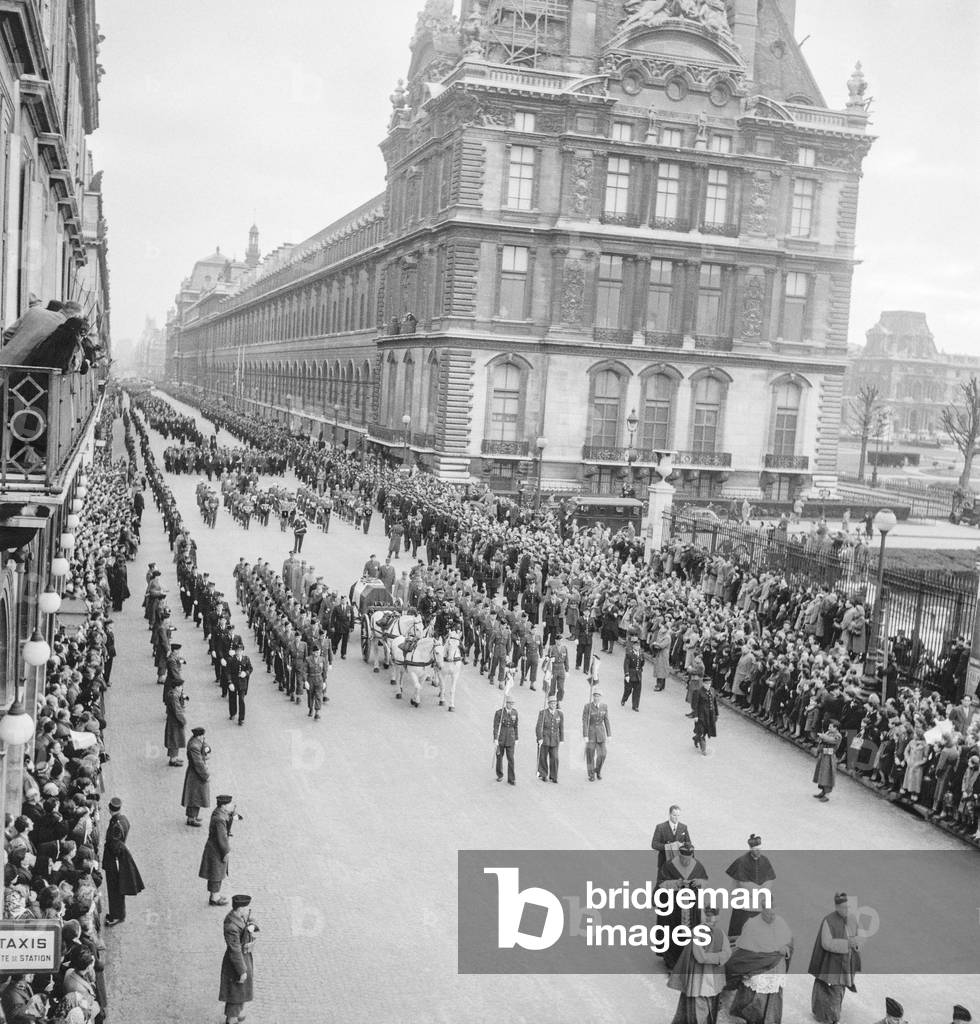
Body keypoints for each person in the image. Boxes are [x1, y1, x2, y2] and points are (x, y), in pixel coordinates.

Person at [726, 899, 794, 1024]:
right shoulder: (752, 924)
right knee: (756, 987)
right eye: (768, 913)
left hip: (775, 965)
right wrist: (772, 951)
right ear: (762, 910)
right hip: (755, 965)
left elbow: (789, 942)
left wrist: (786, 948)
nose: (771, 916)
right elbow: (746, 948)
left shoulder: (780, 922)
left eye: (774, 913)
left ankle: (770, 1020)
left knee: (774, 985)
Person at [666, 903, 730, 1024]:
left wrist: (714, 957)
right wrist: (718, 957)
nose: (711, 919)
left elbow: (727, 952)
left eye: (714, 916)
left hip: (713, 979)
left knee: (710, 1007)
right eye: (708, 916)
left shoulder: (720, 933)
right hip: (699, 978)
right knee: (697, 1010)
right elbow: (701, 957)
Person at [808, 892, 861, 1024]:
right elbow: (826, 943)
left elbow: (856, 937)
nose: (846, 910)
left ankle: (831, 1015)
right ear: (836, 907)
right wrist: (847, 944)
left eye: (848, 907)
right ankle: (829, 1017)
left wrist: (856, 945)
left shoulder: (853, 919)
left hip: (846, 963)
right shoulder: (828, 920)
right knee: (831, 990)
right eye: (843, 907)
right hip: (831, 964)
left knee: (840, 989)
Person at [658, 842, 709, 971]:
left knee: (691, 932)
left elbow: (704, 881)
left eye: (688, 859)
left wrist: (699, 882)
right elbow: (661, 884)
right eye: (683, 859)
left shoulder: (697, 866)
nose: (686, 862)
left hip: (691, 908)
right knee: (672, 932)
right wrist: (676, 883)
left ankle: (689, 960)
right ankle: (672, 961)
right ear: (679, 856)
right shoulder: (669, 866)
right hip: (674, 907)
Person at [101, 797, 144, 925]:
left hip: (114, 861)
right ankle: (119, 913)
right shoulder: (123, 820)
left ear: (110, 809)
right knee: (118, 888)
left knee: (114, 889)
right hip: (119, 859)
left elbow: (114, 845)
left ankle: (116, 915)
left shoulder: (115, 825)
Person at [725, 834, 776, 939]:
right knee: (741, 925)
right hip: (745, 899)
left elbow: (770, 879)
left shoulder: (765, 860)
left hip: (760, 901)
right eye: (755, 849)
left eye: (759, 849)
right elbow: (742, 882)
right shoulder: (742, 861)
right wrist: (757, 890)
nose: (758, 852)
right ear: (751, 849)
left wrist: (764, 889)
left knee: (759, 928)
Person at [219, 894, 259, 1024]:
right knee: (236, 989)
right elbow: (234, 949)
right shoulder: (231, 925)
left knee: (241, 989)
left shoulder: (240, 916)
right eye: (246, 909)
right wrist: (241, 970)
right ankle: (231, 1019)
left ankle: (236, 1014)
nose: (248, 912)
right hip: (237, 960)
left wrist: (252, 925)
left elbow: (251, 921)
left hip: (245, 955)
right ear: (240, 908)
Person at [200, 795, 238, 907]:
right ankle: (214, 898)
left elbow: (227, 817)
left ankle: (215, 895)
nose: (231, 806)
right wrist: (226, 851)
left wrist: (232, 815)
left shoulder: (218, 813)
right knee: (216, 873)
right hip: (217, 850)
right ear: (223, 806)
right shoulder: (220, 820)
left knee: (216, 872)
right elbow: (222, 838)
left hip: (213, 848)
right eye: (229, 804)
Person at [651, 805, 692, 878]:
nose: (676, 818)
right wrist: (669, 846)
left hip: (679, 864)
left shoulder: (683, 827)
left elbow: (689, 843)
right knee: (662, 887)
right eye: (674, 815)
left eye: (678, 815)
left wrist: (682, 845)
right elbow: (654, 844)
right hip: (664, 863)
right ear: (669, 814)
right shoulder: (660, 827)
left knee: (678, 887)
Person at [182, 727, 211, 827]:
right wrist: (206, 775)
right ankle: (191, 818)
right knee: (194, 796)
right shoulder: (194, 746)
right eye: (202, 736)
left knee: (197, 796)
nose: (204, 738)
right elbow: (198, 763)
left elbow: (205, 745)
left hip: (195, 773)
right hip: (195, 774)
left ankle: (193, 815)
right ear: (199, 736)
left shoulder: (196, 741)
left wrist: (207, 750)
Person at [583, 686, 611, 781]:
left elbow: (606, 720)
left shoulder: (604, 706)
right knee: (590, 754)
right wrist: (585, 735)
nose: (596, 698)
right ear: (593, 696)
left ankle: (597, 770)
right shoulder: (588, 707)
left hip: (601, 734)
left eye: (598, 696)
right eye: (595, 695)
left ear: (601, 697)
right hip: (591, 733)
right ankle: (591, 774)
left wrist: (609, 734)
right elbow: (585, 721)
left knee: (603, 754)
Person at [535, 695, 564, 783]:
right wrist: (539, 738)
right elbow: (539, 726)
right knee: (543, 757)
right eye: (551, 703)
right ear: (548, 704)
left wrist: (562, 739)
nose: (553, 704)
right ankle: (543, 774)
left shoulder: (560, 714)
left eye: (555, 703)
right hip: (544, 738)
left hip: (555, 739)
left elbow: (561, 727)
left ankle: (554, 776)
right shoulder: (543, 713)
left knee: (555, 758)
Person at [813, 721, 842, 802]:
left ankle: (827, 795)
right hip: (823, 754)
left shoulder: (838, 736)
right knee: (822, 774)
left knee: (828, 775)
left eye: (831, 727)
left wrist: (823, 736)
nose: (829, 728)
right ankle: (823, 791)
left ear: (836, 728)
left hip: (830, 756)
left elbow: (831, 740)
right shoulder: (828, 732)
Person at [493, 696, 519, 785]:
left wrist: (516, 738)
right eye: (509, 703)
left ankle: (511, 778)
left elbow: (515, 726)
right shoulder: (499, 713)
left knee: (511, 759)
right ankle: (500, 775)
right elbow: (496, 726)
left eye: (512, 704)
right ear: (506, 703)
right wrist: (495, 738)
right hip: (501, 738)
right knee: (499, 757)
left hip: (511, 739)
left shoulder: (515, 713)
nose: (511, 705)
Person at [691, 676, 718, 756]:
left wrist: (716, 714)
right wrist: (695, 715)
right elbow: (694, 705)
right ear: (703, 684)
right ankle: (703, 749)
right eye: (706, 684)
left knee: (706, 731)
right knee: (701, 731)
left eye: (709, 684)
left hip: (710, 715)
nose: (708, 685)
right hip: (701, 715)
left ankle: (696, 738)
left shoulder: (712, 690)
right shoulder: (698, 692)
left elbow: (714, 703)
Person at [227, 642, 252, 726]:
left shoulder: (246, 659)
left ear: (243, 651)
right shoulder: (231, 660)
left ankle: (241, 718)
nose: (239, 652)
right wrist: (230, 682)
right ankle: (233, 713)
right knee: (232, 698)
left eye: (240, 651)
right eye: (237, 651)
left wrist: (246, 673)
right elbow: (228, 672)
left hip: (242, 683)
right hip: (234, 682)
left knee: (241, 699)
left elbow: (250, 668)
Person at [164, 680, 187, 767]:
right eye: (181, 687)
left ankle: (174, 757)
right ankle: (173, 759)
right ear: (176, 687)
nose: (182, 688)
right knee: (174, 740)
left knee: (174, 739)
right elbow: (177, 711)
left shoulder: (173, 694)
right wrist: (183, 721)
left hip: (173, 720)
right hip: (175, 721)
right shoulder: (174, 696)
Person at [622, 635, 644, 711]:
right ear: (633, 646)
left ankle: (635, 706)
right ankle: (624, 699)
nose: (637, 647)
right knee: (628, 690)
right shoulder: (629, 654)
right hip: (631, 674)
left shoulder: (641, 654)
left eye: (639, 646)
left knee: (637, 691)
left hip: (638, 675)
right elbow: (626, 665)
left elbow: (642, 663)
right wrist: (626, 674)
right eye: (636, 645)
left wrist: (640, 670)